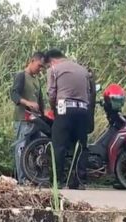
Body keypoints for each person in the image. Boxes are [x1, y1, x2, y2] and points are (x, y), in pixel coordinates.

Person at [45, 49, 91, 189]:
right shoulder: (83, 70)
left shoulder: (54, 69)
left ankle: (57, 181)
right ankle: (78, 181)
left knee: (59, 145)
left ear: (52, 61)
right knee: (81, 146)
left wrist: (54, 109)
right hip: (83, 110)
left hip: (64, 108)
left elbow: (52, 93)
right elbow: (88, 93)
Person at [10, 52, 45, 184]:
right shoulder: (21, 76)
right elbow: (14, 95)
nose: (40, 69)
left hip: (36, 120)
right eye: (39, 65)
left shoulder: (37, 79)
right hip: (22, 119)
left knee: (38, 149)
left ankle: (35, 178)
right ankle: (22, 179)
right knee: (21, 149)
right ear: (32, 61)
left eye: (42, 67)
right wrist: (28, 103)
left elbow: (40, 100)